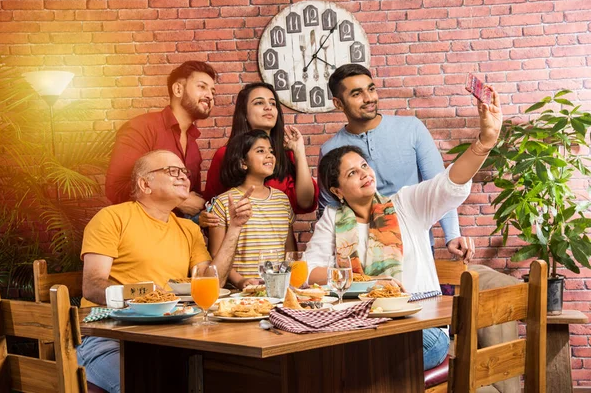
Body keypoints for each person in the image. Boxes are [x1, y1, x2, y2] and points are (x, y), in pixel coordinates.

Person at [304, 86, 502, 371]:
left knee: (353, 362)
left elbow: (448, 184)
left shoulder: (405, 203)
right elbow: (309, 272)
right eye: (352, 173)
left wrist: (484, 143)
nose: (364, 174)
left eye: (363, 166)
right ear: (337, 190)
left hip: (423, 327)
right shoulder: (332, 220)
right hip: (363, 325)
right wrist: (368, 284)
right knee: (336, 357)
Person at [78, 149, 252, 393]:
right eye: (172, 171)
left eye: (184, 172)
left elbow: (211, 282)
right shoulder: (112, 218)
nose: (183, 177)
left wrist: (234, 227)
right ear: (144, 184)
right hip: (111, 338)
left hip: (173, 338)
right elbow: (93, 285)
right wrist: (147, 298)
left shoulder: (188, 229)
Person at [320, 64, 472, 258]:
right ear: (338, 103)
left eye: (371, 89)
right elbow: (329, 207)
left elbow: (441, 186)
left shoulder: (411, 128)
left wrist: (452, 235)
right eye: (357, 94)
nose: (369, 98)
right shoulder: (329, 150)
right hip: (362, 253)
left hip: (416, 246)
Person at [105, 60, 217, 218]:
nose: (209, 96)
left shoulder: (193, 145)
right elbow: (116, 188)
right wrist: (178, 200)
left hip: (180, 235)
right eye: (202, 87)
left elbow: (192, 199)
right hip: (144, 235)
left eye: (213, 91)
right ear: (178, 89)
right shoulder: (141, 128)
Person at [201, 82, 318, 227]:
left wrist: (299, 151)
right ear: (244, 114)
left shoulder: (287, 154)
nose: (268, 107)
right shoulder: (225, 154)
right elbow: (211, 209)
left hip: (279, 242)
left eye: (273, 103)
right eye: (259, 102)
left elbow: (306, 202)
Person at [208, 129, 296, 289]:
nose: (270, 155)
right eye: (260, 151)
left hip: (277, 290)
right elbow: (215, 254)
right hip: (239, 293)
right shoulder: (224, 202)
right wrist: (240, 281)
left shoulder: (282, 200)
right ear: (243, 162)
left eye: (271, 151)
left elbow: (289, 250)